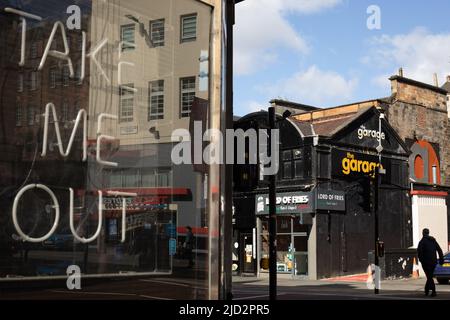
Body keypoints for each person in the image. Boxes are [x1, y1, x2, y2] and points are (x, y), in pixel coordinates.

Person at [417, 228, 444, 297]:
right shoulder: (433, 241)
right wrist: (441, 259)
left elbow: (419, 253)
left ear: (423, 233)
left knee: (429, 277)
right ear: (428, 233)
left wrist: (421, 260)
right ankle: (426, 290)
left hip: (426, 263)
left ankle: (433, 291)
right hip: (433, 262)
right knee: (430, 276)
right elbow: (439, 250)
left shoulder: (422, 242)